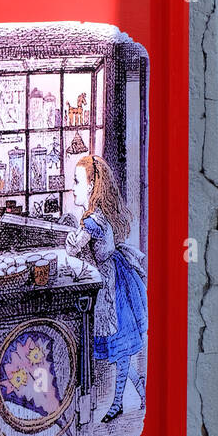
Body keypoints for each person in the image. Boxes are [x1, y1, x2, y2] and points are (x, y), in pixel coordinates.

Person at [66, 155, 147, 422]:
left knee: (119, 345)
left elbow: (74, 247)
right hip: (111, 277)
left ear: (90, 186)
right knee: (120, 347)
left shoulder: (93, 221)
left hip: (111, 286)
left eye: (77, 182)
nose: (73, 188)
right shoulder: (97, 216)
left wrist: (70, 238)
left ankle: (117, 403)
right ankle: (134, 394)